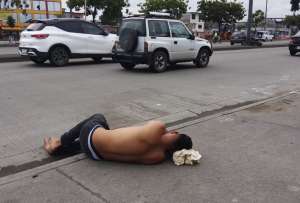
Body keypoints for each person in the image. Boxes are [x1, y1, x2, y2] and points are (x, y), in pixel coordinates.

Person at [44, 114, 193, 164]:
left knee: (99, 118)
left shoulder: (158, 129)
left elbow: (155, 128)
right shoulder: (158, 157)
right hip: (94, 155)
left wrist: (166, 132)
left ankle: (61, 141)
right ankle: (60, 150)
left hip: (88, 135)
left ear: (175, 133)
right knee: (105, 134)